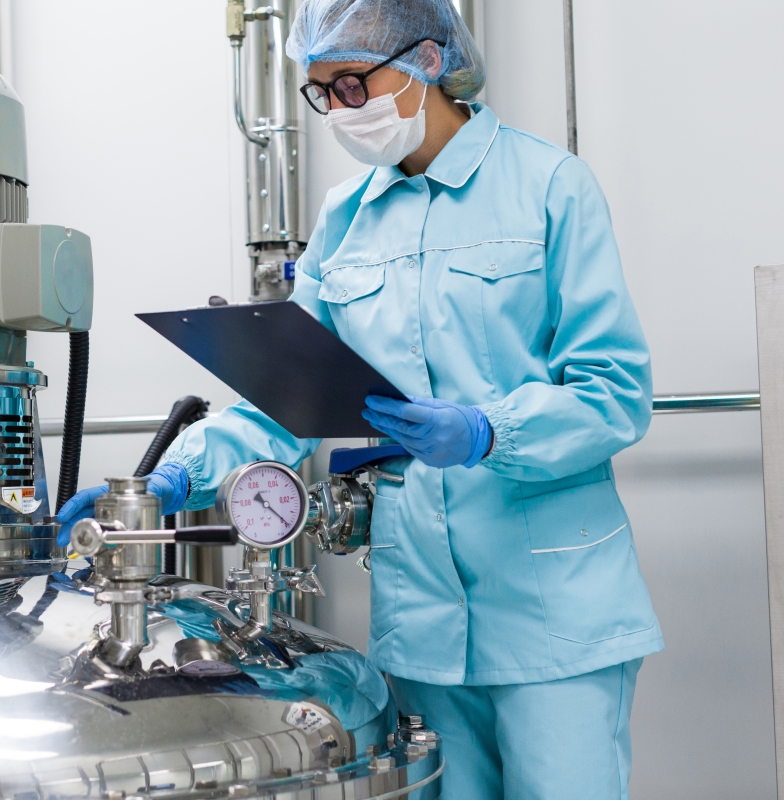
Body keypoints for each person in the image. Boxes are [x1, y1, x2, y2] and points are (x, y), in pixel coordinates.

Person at [60, 0, 659, 796]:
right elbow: (288, 398)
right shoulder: (346, 219)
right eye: (322, 92)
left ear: (428, 61)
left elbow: (614, 392)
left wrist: (488, 431)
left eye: (352, 83)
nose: (341, 110)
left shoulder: (550, 186)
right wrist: (174, 478)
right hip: (423, 621)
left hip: (555, 611)